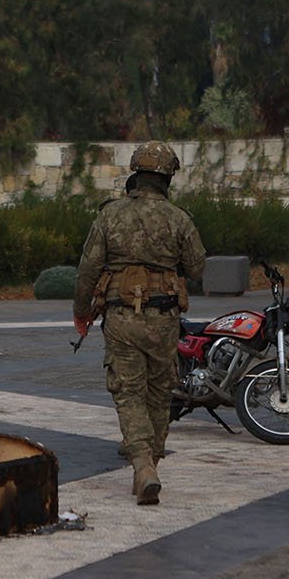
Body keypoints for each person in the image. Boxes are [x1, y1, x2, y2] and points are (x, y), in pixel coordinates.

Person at [73, 142, 206, 505]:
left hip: (120, 319)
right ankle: (153, 461)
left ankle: (142, 465)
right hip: (164, 319)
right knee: (160, 392)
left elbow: (88, 269)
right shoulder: (179, 218)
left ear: (136, 173)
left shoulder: (110, 215)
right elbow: (196, 268)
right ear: (166, 177)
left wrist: (81, 310)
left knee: (128, 393)